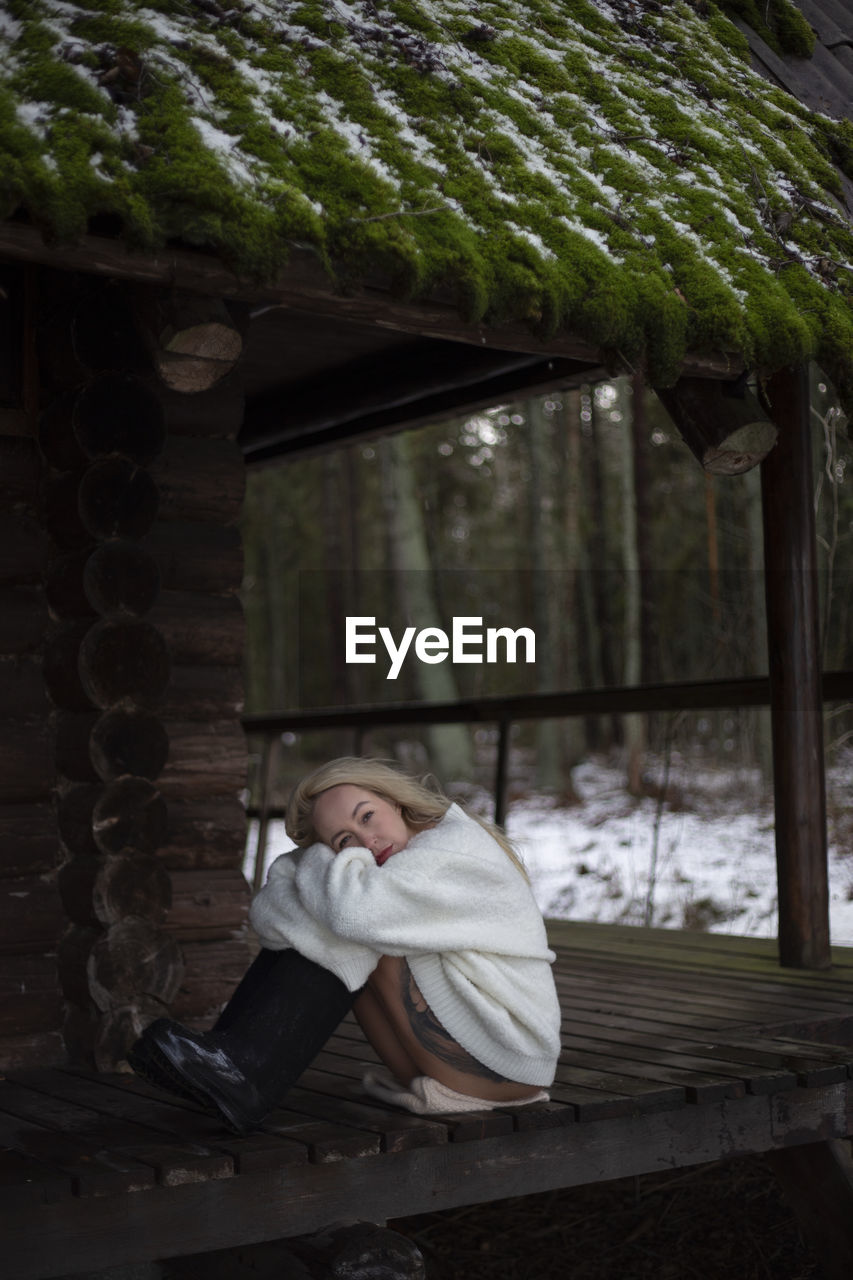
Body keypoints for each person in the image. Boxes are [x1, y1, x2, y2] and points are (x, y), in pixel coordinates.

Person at [130, 757, 562, 1133]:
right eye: (344, 840)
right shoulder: (393, 866)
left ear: (394, 800)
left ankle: (247, 1071)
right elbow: (271, 916)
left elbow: (355, 913)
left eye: (367, 816)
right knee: (340, 911)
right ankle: (234, 1059)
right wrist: (326, 866)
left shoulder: (454, 846)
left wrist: (323, 858)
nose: (365, 841)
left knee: (353, 919)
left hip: (509, 1058)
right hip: (454, 1056)